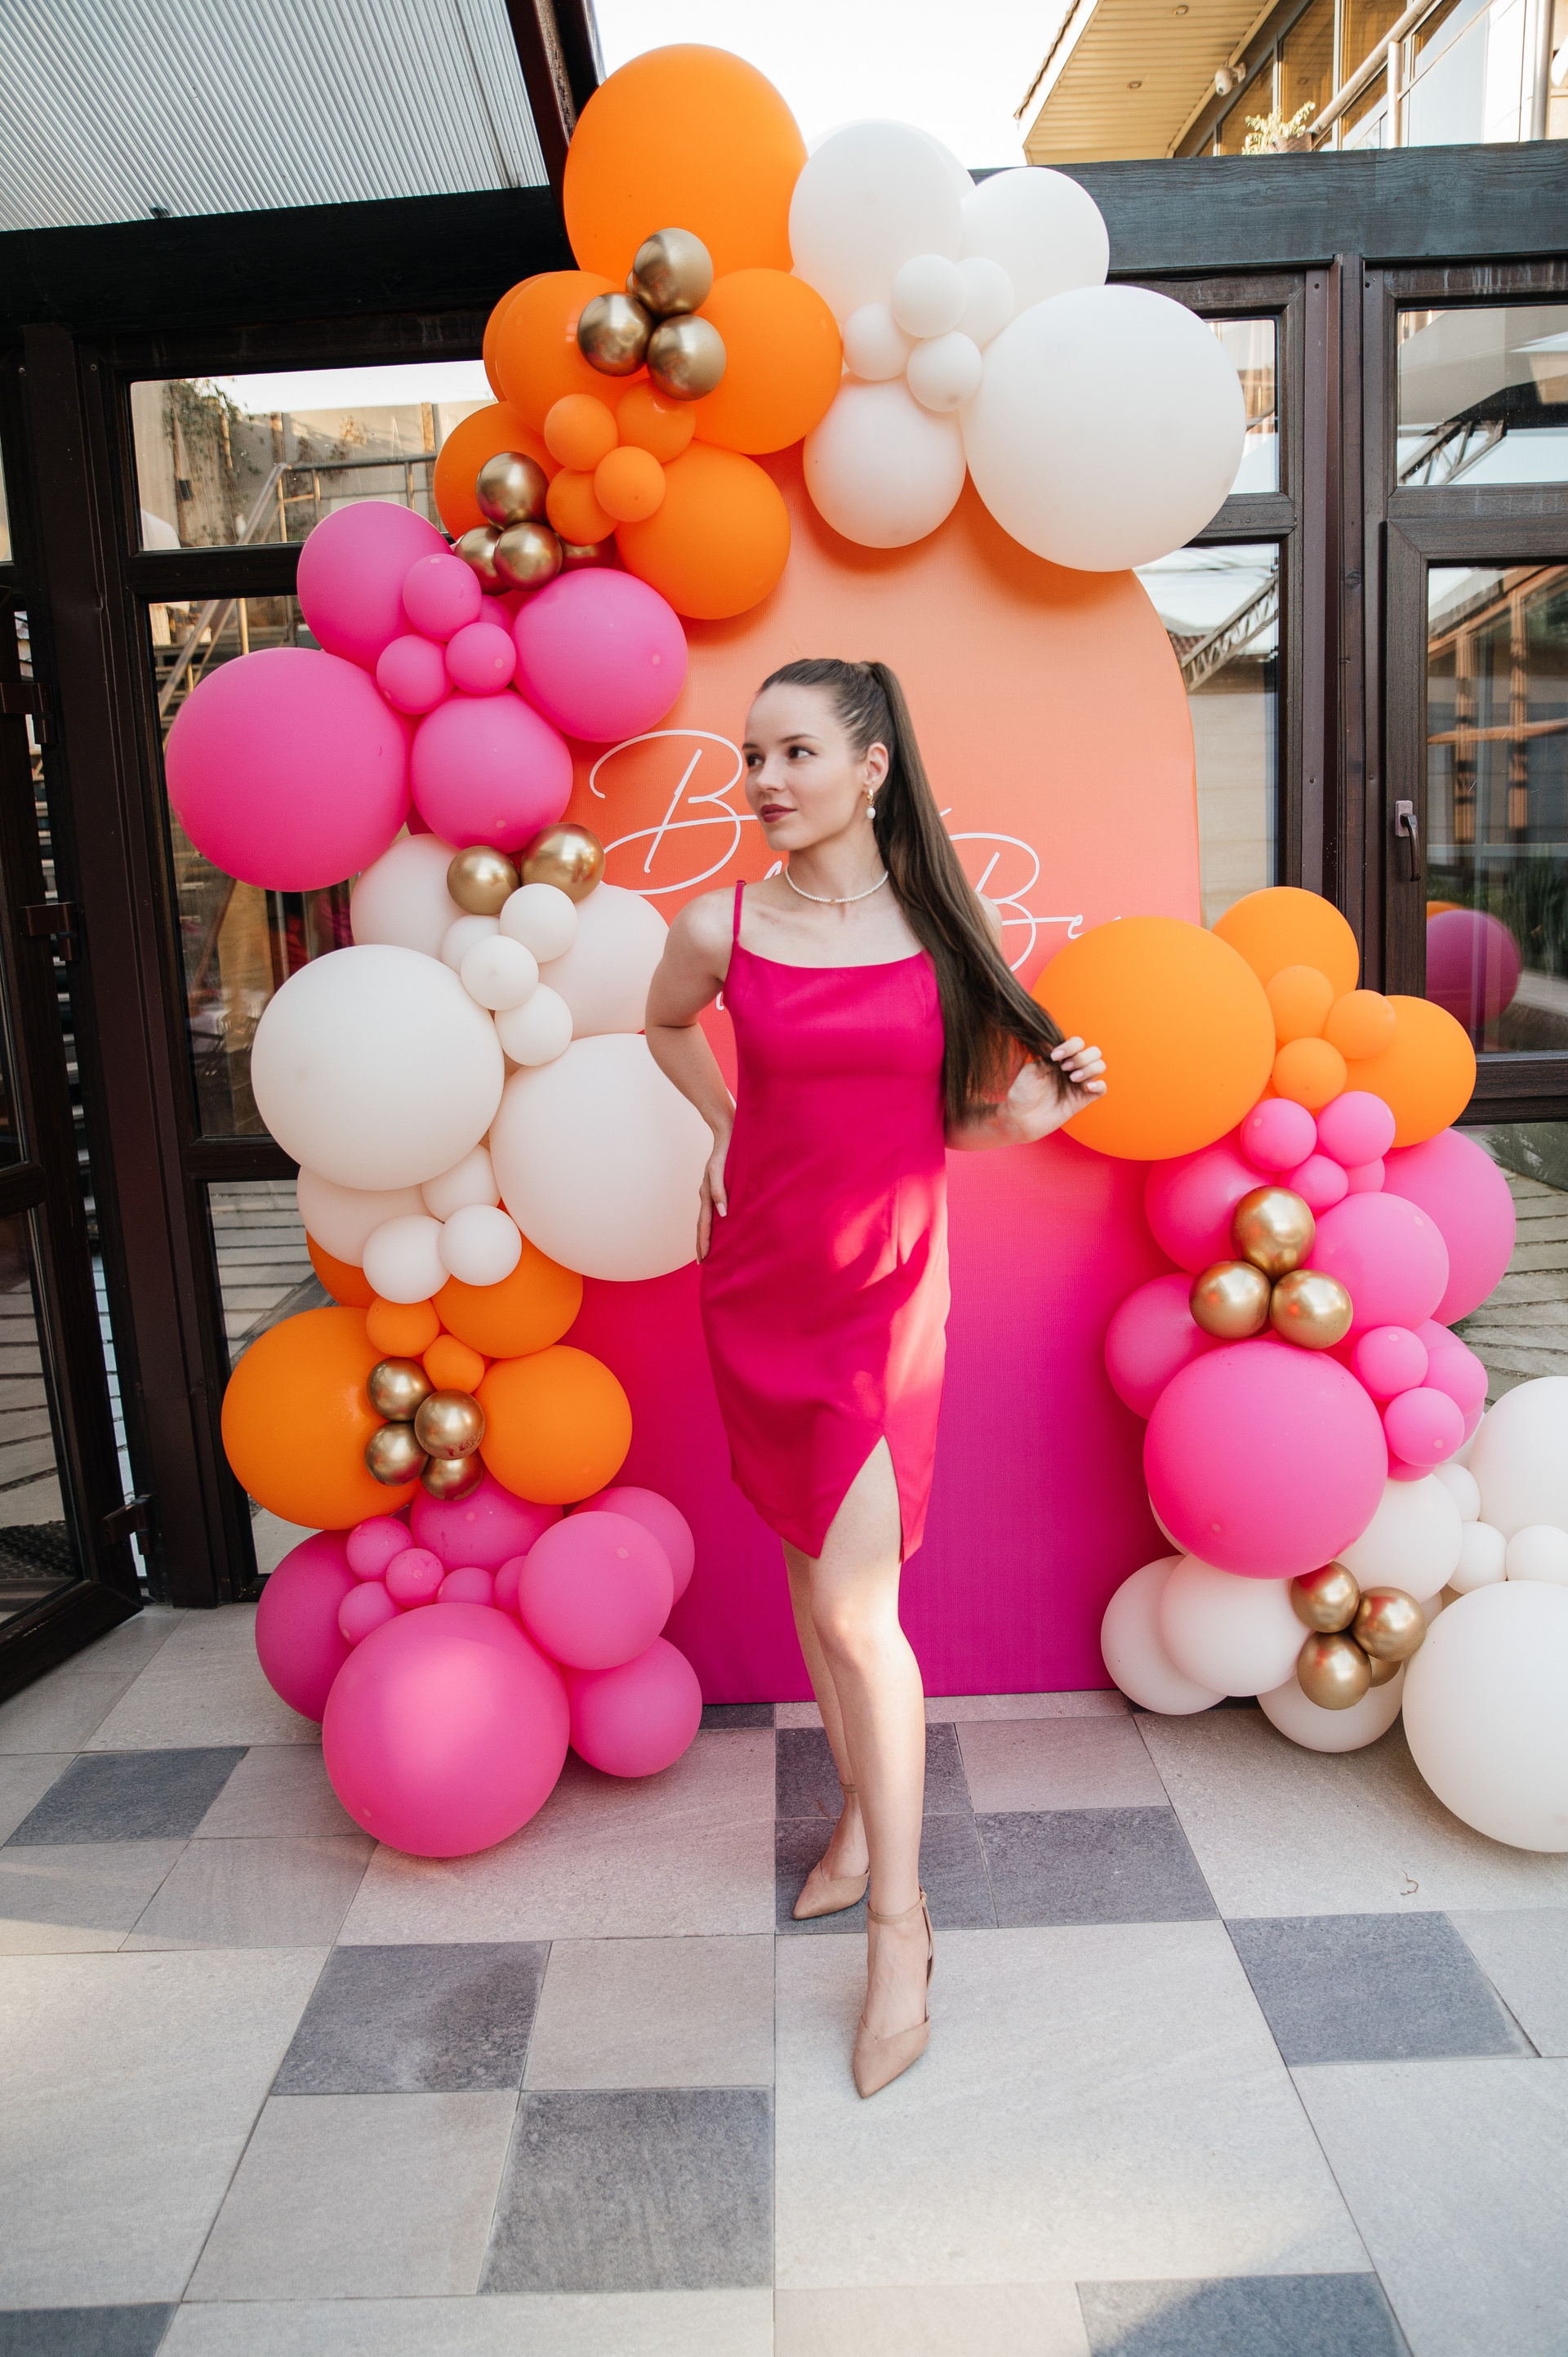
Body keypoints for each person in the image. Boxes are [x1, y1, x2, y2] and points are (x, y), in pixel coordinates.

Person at [644, 658, 1107, 2096]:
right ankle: (855, 1816)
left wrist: (1034, 1113)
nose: (764, 780)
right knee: (809, 1570)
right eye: (751, 755)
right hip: (757, 1285)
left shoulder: (945, 935)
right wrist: (723, 1121)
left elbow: (955, 1121)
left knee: (857, 1607)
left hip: (886, 1297)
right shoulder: (718, 926)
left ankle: (901, 1927)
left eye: (794, 752)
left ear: (871, 766)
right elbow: (663, 1026)